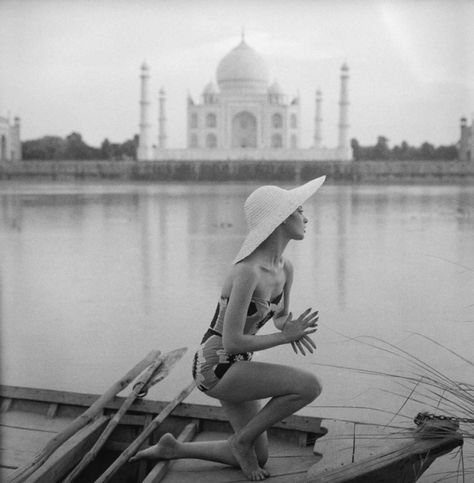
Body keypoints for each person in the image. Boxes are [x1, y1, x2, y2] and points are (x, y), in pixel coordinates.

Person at [131, 176, 326, 481]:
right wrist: (283, 337)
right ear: (280, 220)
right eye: (300, 211)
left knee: (261, 456)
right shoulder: (247, 272)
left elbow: (279, 317)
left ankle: (174, 449)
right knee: (309, 386)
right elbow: (233, 342)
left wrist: (291, 327)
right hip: (214, 367)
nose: (306, 217)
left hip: (239, 365)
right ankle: (241, 440)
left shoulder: (285, 268)